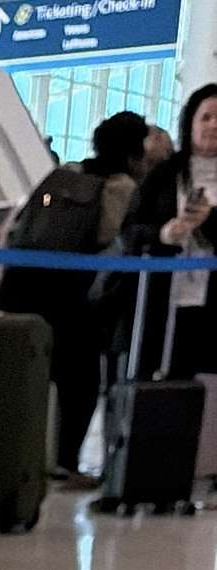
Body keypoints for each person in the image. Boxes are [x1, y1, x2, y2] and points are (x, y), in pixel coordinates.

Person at [0, 110, 151, 485]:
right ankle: (66, 462)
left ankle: (10, 458)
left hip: (22, 285)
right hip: (70, 296)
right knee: (81, 382)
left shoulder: (67, 172)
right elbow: (111, 245)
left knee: (25, 377)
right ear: (133, 154)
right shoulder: (121, 188)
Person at [111, 83, 217, 380]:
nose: (213, 126)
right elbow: (129, 231)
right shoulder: (164, 175)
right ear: (190, 122)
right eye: (206, 117)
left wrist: (209, 219)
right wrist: (165, 233)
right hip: (158, 303)